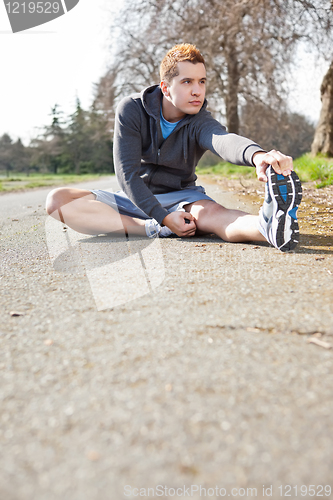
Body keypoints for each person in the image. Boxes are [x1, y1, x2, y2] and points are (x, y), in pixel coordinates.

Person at [46, 43, 302, 252]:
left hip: (182, 197)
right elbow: (127, 174)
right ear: (166, 88)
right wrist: (162, 219)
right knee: (57, 200)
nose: (197, 91)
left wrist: (257, 155)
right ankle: (150, 229)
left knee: (214, 215)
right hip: (134, 197)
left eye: (202, 81)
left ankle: (268, 226)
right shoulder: (132, 109)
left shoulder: (199, 120)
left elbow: (222, 139)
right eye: (187, 82)